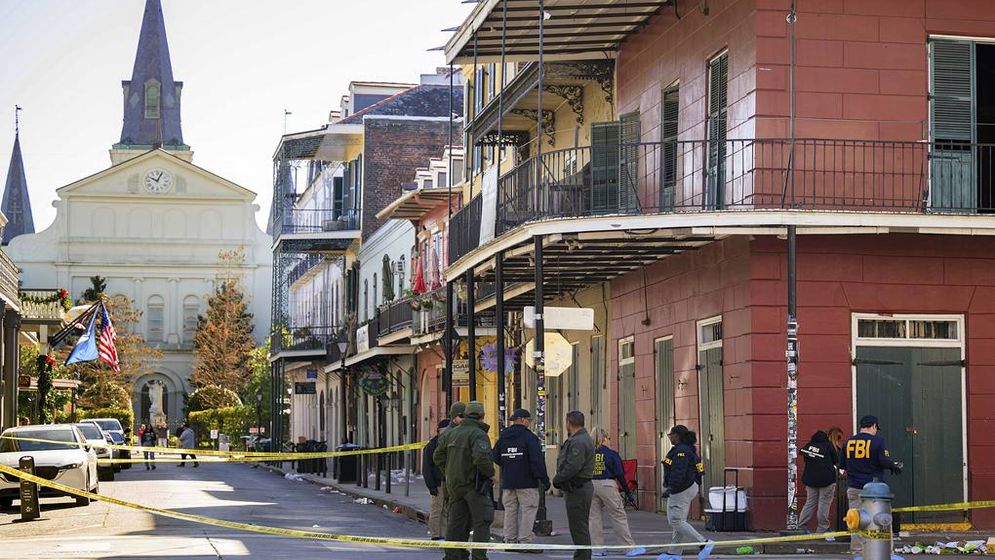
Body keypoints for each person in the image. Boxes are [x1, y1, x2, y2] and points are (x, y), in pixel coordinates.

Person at [434, 401, 494, 560]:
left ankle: (453, 555)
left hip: (454, 485)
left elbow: (437, 457)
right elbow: (481, 458)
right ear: (482, 417)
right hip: (473, 485)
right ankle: (479, 556)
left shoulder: (450, 433)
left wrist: (449, 471)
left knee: (456, 523)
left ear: (465, 415)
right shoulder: (478, 434)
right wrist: (490, 474)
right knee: (482, 521)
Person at [842, 415, 901, 555]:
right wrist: (893, 466)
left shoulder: (848, 442)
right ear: (874, 426)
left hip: (854, 487)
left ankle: (857, 551)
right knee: (881, 520)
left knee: (856, 521)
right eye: (876, 428)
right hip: (875, 491)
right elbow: (883, 461)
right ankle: (885, 551)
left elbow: (842, 465)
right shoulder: (878, 441)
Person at [493, 408, 548, 551]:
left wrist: (509, 465)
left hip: (508, 482)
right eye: (529, 421)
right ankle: (525, 541)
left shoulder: (503, 437)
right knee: (528, 510)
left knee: (510, 511)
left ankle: (509, 540)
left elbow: (495, 456)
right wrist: (543, 479)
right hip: (527, 482)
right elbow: (536, 460)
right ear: (523, 420)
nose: (529, 423)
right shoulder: (529, 437)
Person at [552, 410, 595, 560]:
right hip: (577, 487)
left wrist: (558, 479)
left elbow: (573, 466)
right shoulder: (581, 438)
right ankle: (582, 555)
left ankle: (582, 557)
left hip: (578, 488)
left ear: (569, 423)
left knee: (578, 527)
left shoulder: (578, 441)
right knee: (578, 525)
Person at [662, 425, 710, 556]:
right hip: (687, 487)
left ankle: (703, 543)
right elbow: (699, 469)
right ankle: (674, 553)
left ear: (676, 435)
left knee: (675, 521)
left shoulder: (681, 451)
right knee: (679, 521)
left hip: (681, 489)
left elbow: (678, 471)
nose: (670, 437)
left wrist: (670, 487)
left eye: (670, 435)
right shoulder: (688, 449)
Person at [588, 427, 636, 557]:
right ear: (604, 439)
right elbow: (620, 474)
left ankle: (597, 549)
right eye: (608, 438)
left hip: (589, 485)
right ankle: (628, 547)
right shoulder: (611, 454)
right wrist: (627, 492)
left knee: (594, 518)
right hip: (607, 484)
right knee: (618, 515)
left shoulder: (587, 453)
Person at [798, 430, 838, 536]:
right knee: (824, 503)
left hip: (810, 479)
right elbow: (836, 460)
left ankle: (801, 525)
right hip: (827, 480)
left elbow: (806, 459)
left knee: (810, 503)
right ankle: (822, 528)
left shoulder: (809, 446)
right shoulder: (828, 446)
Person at [424, 418, 450, 540]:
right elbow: (427, 468)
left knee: (445, 510)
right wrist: (431, 486)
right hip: (437, 483)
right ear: (439, 431)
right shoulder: (432, 446)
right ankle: (435, 534)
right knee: (437, 509)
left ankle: (443, 534)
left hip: (446, 482)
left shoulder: (448, 443)